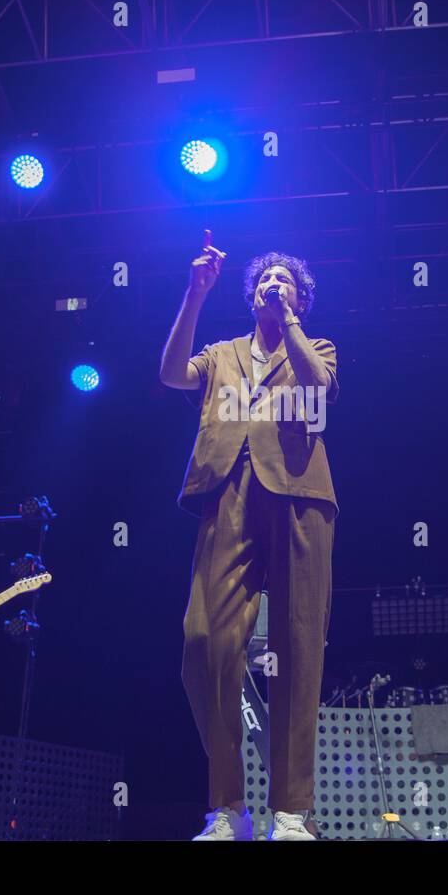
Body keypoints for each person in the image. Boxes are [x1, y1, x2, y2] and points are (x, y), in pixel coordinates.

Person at [160, 230, 339, 840]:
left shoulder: (315, 346)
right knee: (202, 642)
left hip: (298, 497)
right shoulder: (221, 353)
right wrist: (195, 291)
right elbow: (169, 373)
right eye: (266, 280)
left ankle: (290, 813)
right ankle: (228, 809)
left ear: (300, 299)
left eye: (285, 282)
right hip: (228, 494)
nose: (273, 285)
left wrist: (289, 324)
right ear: (249, 294)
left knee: (297, 652)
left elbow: (319, 390)